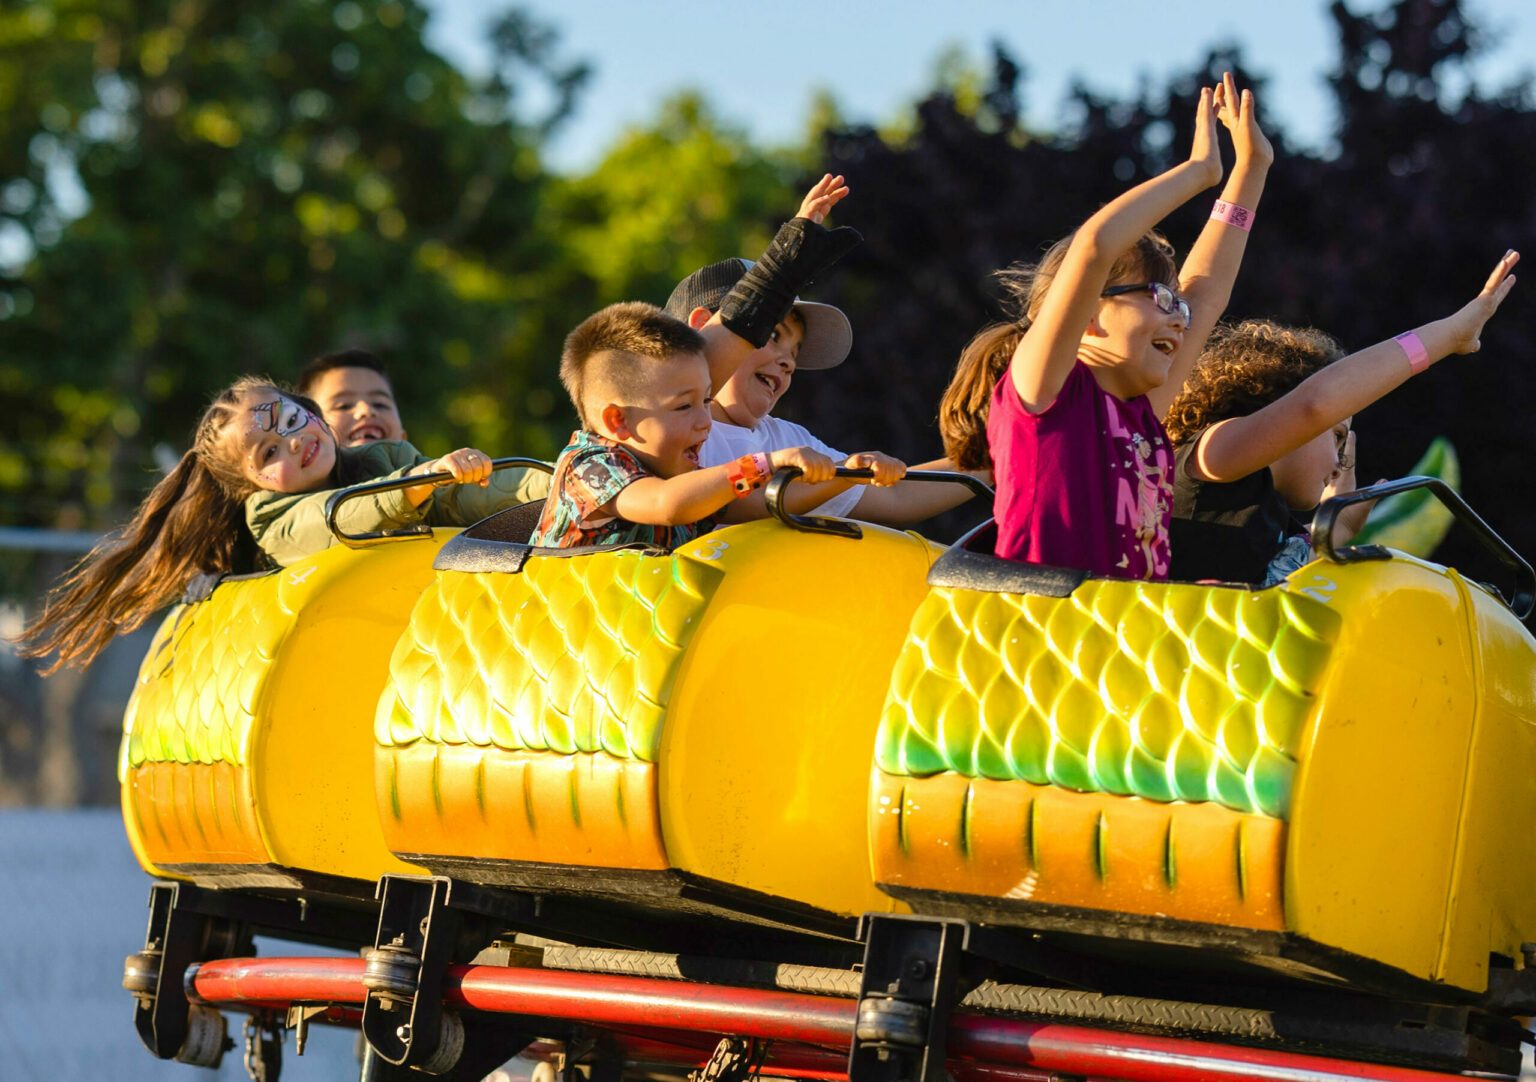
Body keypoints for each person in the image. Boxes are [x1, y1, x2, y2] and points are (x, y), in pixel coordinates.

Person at [937, 74, 1271, 579]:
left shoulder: (1138, 415)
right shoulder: (1045, 396)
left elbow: (1206, 294)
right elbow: (1094, 246)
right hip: (1043, 644)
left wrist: (1250, 169)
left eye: (1176, 306)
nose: (1179, 319)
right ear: (1089, 314)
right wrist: (1198, 171)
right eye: (1160, 299)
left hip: (1116, 646)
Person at [16, 377, 550, 671]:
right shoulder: (269, 515)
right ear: (251, 486)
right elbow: (334, 521)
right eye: (269, 451)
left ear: (307, 410)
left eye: (292, 420)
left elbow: (472, 498)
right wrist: (416, 484)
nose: (294, 441)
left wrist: (555, 488)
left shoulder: (384, 460)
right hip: (312, 661)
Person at [1164, 251, 1518, 584]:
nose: (1339, 465)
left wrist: (1339, 530)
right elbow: (1316, 404)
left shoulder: (1273, 518)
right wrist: (1451, 334)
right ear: (1275, 407)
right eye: (1335, 435)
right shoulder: (1213, 459)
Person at [666, 175, 977, 523]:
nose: (788, 363)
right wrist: (783, 261)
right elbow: (725, 504)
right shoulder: (663, 425)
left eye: (796, 353)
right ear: (699, 327)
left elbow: (897, 498)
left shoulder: (790, 438)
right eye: (771, 334)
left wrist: (997, 457)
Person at [530, 302, 890, 549]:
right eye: (685, 406)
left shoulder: (677, 476)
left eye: (705, 401)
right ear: (617, 421)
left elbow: (764, 503)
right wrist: (765, 463)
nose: (705, 421)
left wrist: (847, 473)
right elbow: (667, 504)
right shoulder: (590, 465)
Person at [296, 348, 406, 446]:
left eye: (380, 404)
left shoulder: (422, 468)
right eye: (344, 406)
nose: (366, 410)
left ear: (403, 438)